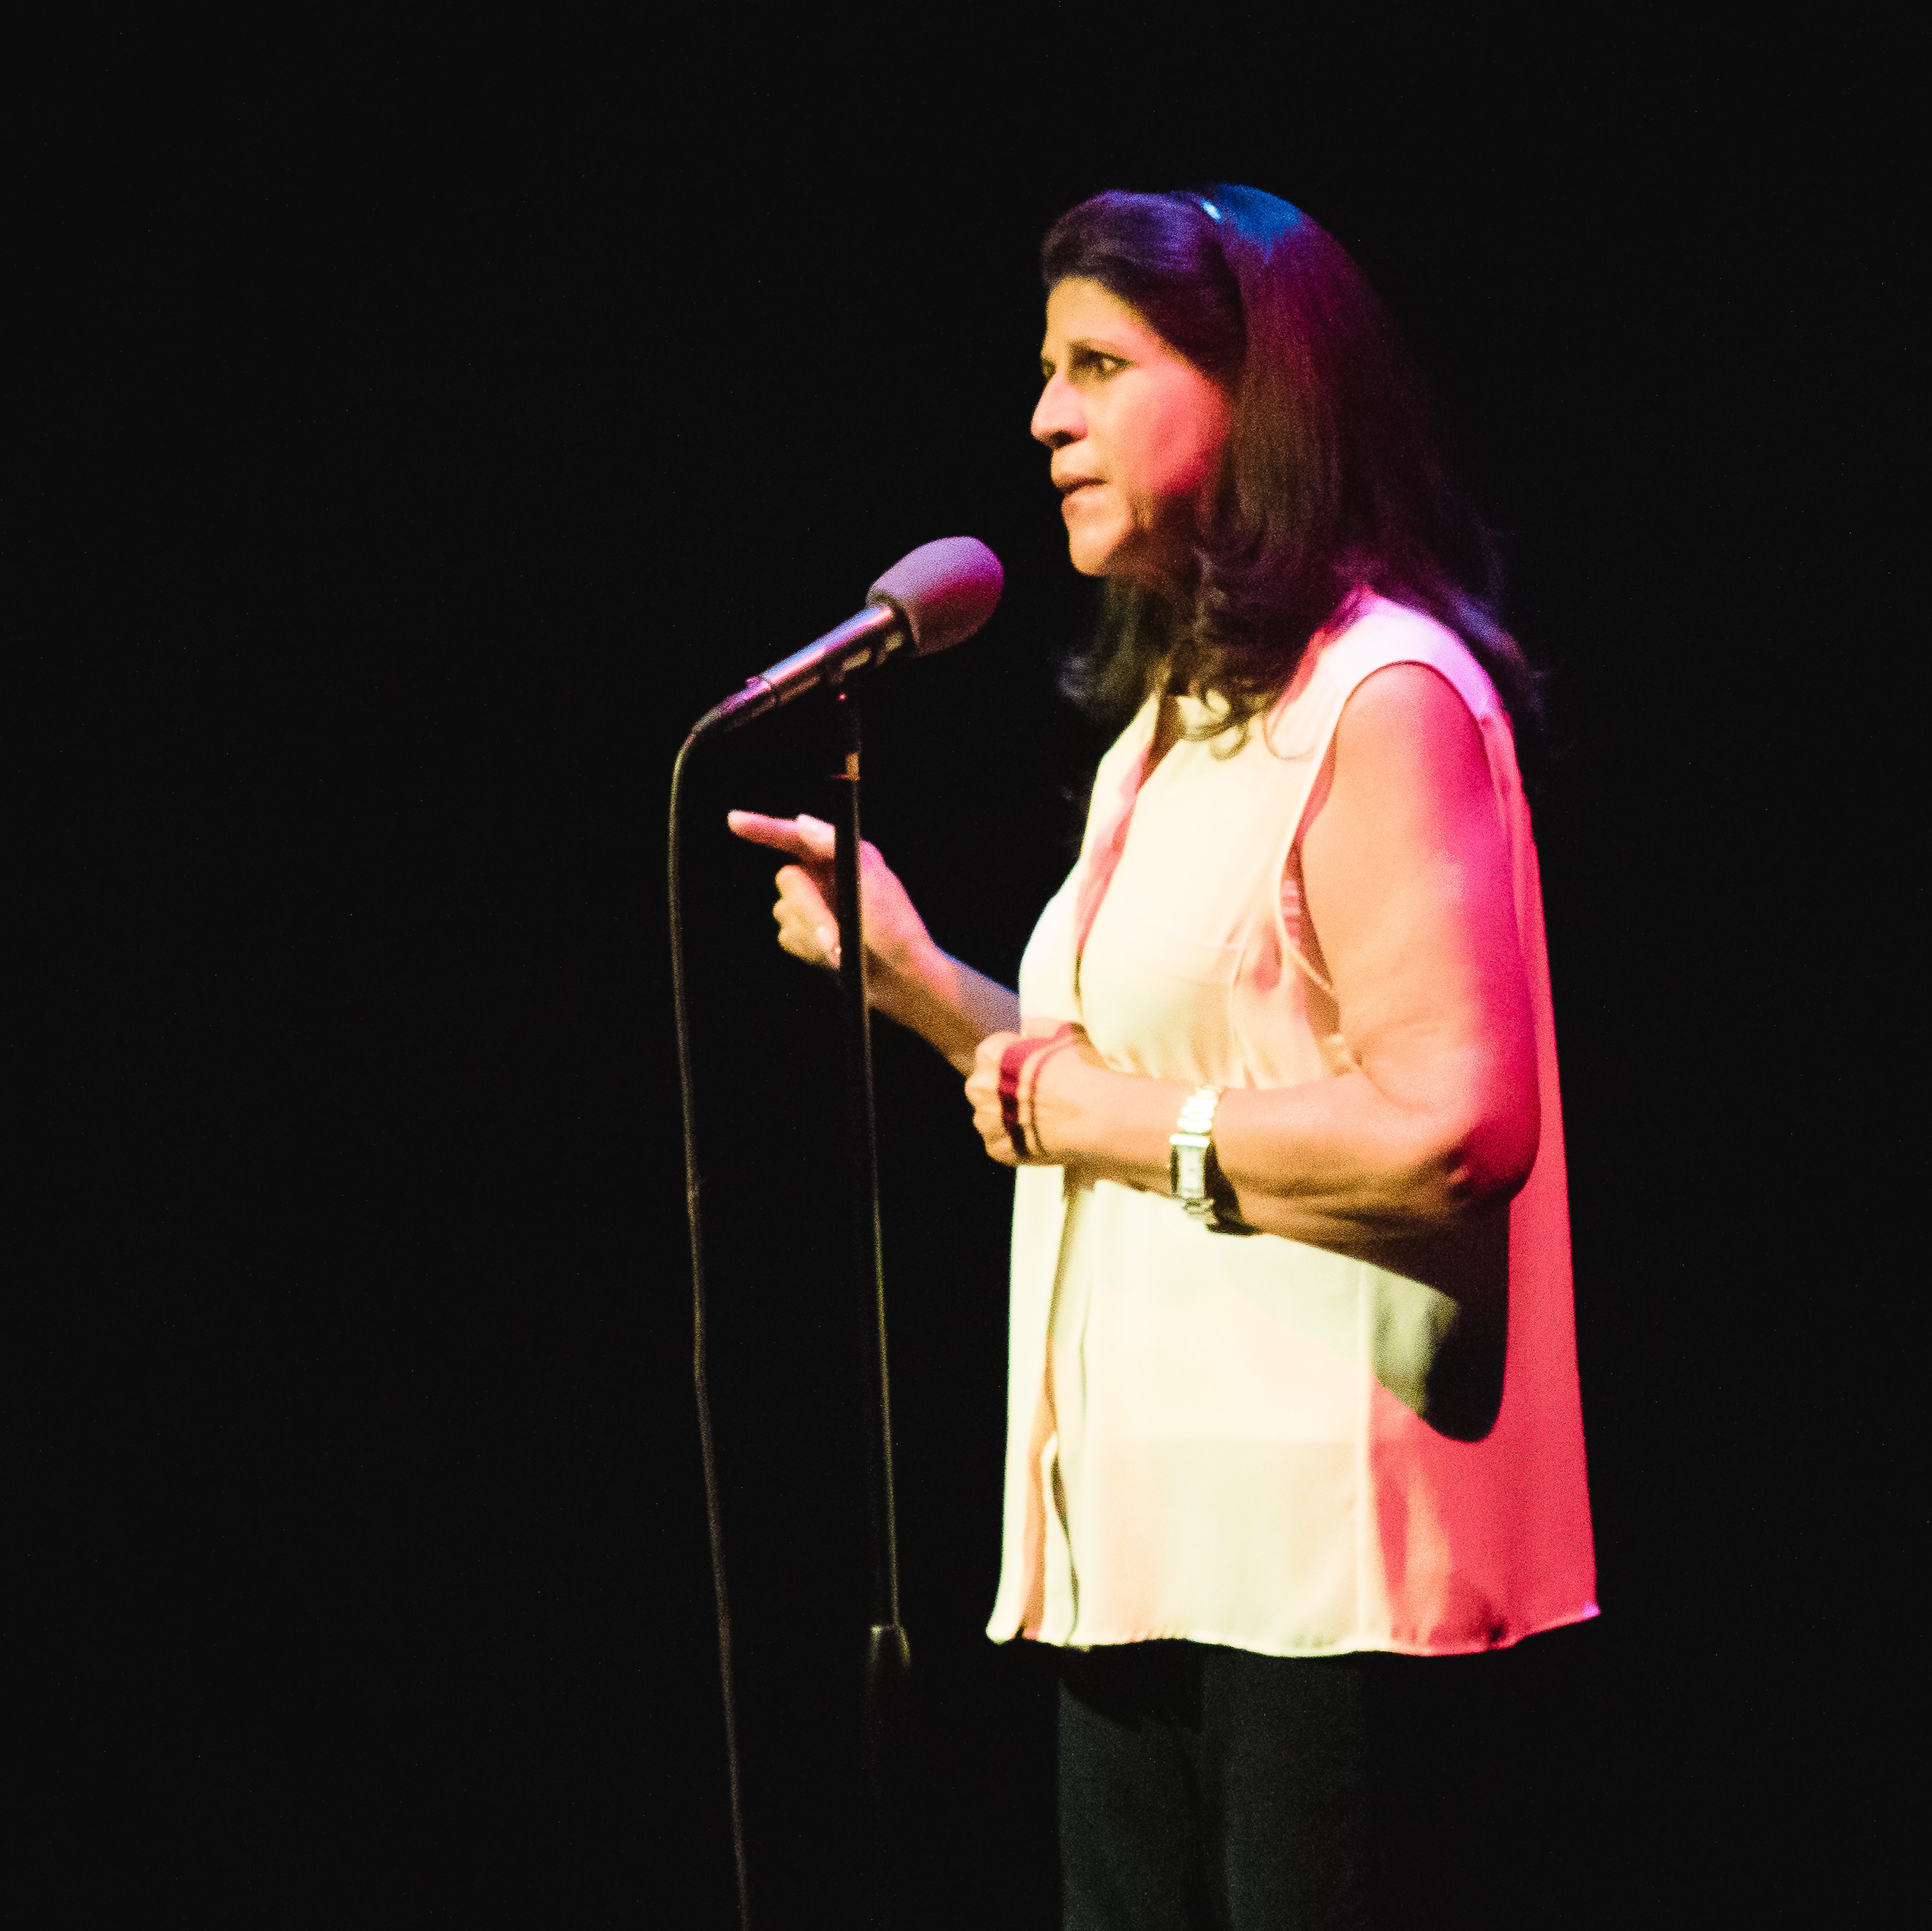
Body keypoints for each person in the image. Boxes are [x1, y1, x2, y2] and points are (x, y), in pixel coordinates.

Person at [729, 186, 1596, 1930]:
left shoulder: (1382, 697)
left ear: (1256, 397)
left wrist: (1091, 1106)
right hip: (1137, 1549)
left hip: (1321, 1572)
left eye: (1097, 364)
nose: (1043, 415)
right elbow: (1117, 1089)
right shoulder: (1174, 730)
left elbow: (1449, 1126)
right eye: (1046, 369)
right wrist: (915, 983)